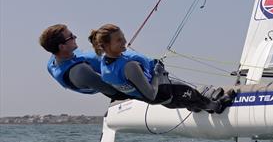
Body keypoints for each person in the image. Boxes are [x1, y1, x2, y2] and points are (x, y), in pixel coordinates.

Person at [88, 23, 234, 114]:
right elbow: (151, 94)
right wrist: (157, 73)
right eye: (119, 40)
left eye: (123, 37)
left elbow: (127, 92)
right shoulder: (129, 67)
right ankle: (216, 106)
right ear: (106, 45)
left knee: (191, 97)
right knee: (194, 95)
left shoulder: (105, 67)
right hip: (165, 93)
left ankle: (194, 107)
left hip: (162, 98)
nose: (125, 41)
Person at [40, 24, 129, 100]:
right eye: (71, 37)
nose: (75, 37)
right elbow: (116, 93)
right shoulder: (80, 72)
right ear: (62, 47)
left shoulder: (54, 59)